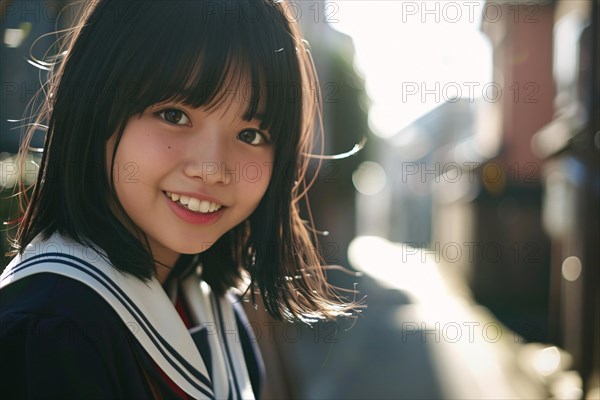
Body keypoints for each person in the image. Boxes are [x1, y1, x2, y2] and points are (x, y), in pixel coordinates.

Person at [0, 1, 358, 398]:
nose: (213, 169)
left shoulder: (217, 316)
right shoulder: (45, 333)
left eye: (251, 135)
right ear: (94, 108)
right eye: (174, 115)